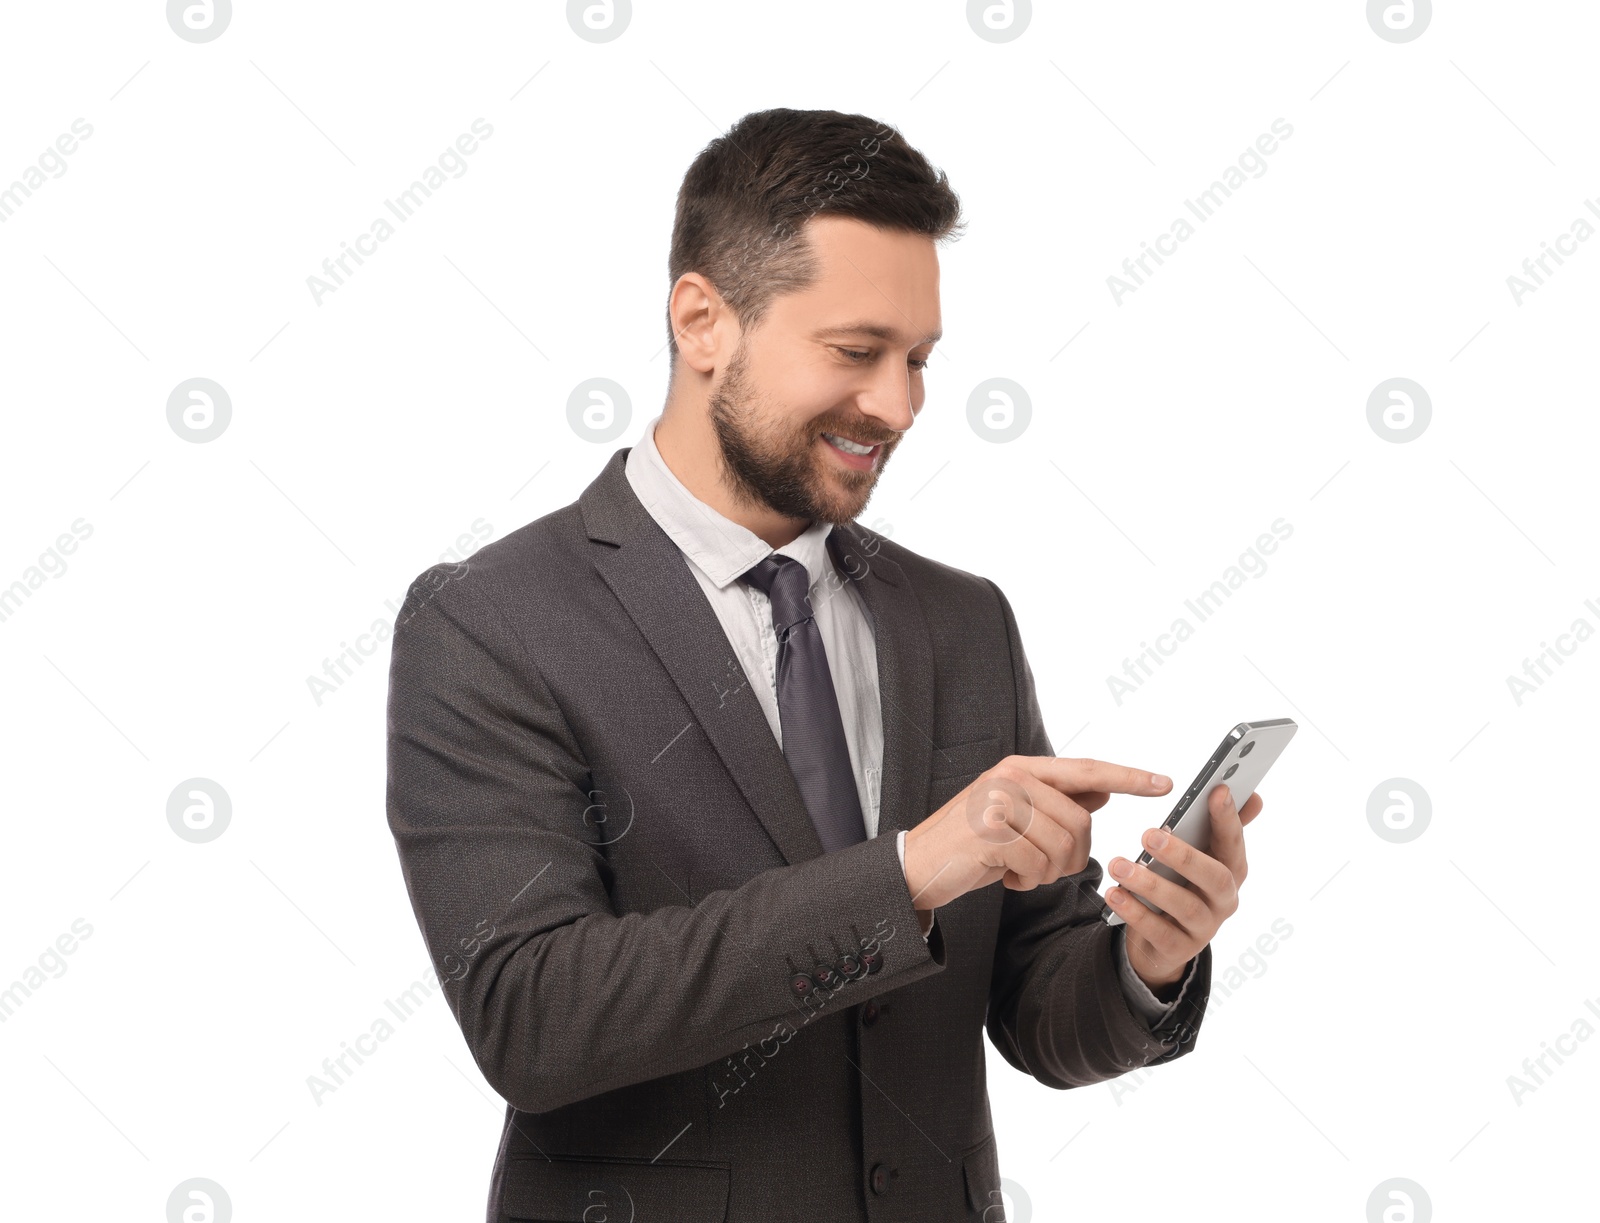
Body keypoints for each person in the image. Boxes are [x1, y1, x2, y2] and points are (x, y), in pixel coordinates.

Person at [385, 107, 1264, 1223]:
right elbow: (534, 1017)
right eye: (855, 353)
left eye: (918, 361)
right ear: (703, 321)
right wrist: (907, 870)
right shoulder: (492, 621)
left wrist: (1145, 956)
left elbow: (1036, 1005)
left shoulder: (961, 620)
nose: (898, 406)